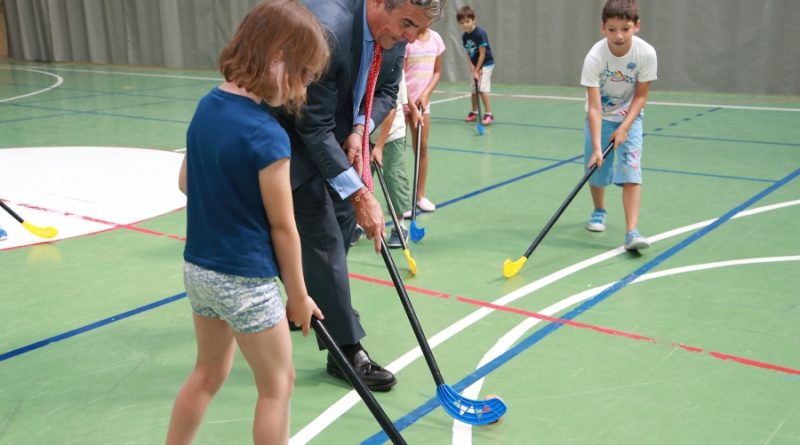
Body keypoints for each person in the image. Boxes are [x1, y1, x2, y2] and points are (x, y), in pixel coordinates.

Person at [165, 1, 327, 444]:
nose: (303, 91)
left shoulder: (206, 106)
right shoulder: (267, 134)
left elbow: (185, 183)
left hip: (199, 271)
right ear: (277, 60)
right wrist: (298, 297)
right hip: (246, 282)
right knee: (278, 386)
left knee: (208, 373)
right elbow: (282, 227)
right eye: (303, 75)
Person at [274, 0, 445, 392]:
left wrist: (359, 126)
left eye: (416, 30)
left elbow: (385, 87)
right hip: (291, 139)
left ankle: (303, 300)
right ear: (379, 3)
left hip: (336, 134)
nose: (408, 37)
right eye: (406, 24)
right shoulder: (328, 31)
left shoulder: (398, 30)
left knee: (342, 228)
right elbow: (310, 126)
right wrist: (361, 195)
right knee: (323, 238)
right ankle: (345, 351)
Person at [580, 0, 657, 251]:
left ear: (636, 26)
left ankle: (631, 232)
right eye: (612, 29)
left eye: (625, 28)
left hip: (630, 117)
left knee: (631, 170)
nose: (619, 35)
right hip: (600, 116)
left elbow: (641, 96)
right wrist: (595, 146)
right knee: (596, 170)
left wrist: (625, 126)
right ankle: (599, 209)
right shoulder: (594, 57)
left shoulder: (646, 53)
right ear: (603, 28)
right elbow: (593, 106)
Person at [403, 26, 445, 213]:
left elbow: (437, 72)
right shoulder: (407, 40)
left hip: (423, 105)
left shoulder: (436, 39)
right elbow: (400, 76)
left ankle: (420, 196)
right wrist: (410, 105)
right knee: (394, 152)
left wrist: (426, 94)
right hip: (402, 104)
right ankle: (400, 201)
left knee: (422, 148)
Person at [372, 72, 412, 248]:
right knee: (358, 178)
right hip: (364, 132)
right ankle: (356, 224)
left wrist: (379, 146)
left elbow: (391, 109)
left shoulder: (394, 68)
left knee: (393, 177)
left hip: (392, 134)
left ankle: (400, 225)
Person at [457, 5, 495, 126]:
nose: (465, 25)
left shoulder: (480, 34)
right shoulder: (464, 36)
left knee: (482, 89)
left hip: (486, 64)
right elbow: (468, 53)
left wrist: (477, 70)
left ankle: (489, 114)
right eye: (462, 22)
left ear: (473, 20)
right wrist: (472, 67)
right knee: (474, 89)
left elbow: (483, 54)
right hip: (476, 66)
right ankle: (474, 112)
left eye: (467, 21)